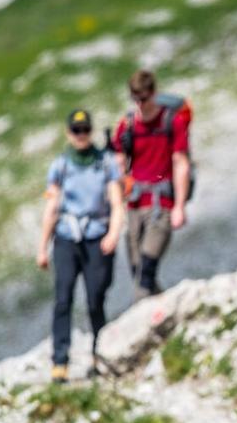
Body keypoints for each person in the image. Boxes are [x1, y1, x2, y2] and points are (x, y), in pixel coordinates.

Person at [37, 108, 125, 384]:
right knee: (63, 298)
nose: (81, 136)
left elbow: (117, 202)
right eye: (76, 131)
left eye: (85, 130)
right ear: (68, 133)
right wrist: (42, 247)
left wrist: (113, 233)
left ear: (91, 131)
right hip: (66, 238)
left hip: (97, 236)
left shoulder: (106, 163)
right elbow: (52, 207)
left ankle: (101, 352)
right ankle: (60, 359)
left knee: (95, 297)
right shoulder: (61, 166)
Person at [112, 69, 191, 299]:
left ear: (154, 93)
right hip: (135, 205)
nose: (139, 104)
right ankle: (162, 309)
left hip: (161, 205)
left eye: (143, 98)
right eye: (135, 99)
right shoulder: (127, 126)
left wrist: (179, 206)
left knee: (145, 272)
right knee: (139, 272)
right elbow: (118, 165)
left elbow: (181, 163)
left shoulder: (172, 122)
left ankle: (144, 321)